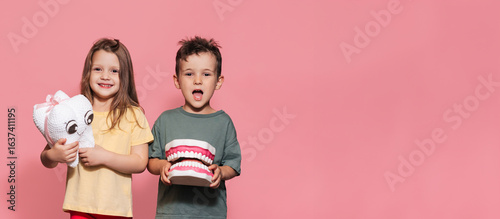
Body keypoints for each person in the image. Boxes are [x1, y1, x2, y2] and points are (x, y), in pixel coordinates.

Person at [40, 38, 154, 219]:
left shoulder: (133, 115)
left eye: (114, 71)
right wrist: (55, 155)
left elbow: (140, 162)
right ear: (88, 73)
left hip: (115, 210)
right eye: (98, 69)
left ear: (124, 77)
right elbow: (46, 158)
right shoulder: (74, 111)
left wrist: (104, 157)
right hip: (80, 207)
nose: (105, 76)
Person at [147, 36, 242, 218]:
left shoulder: (224, 123)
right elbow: (151, 160)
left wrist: (221, 172)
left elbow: (233, 164)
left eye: (206, 74)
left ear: (218, 81)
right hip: (171, 213)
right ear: (177, 80)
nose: (197, 80)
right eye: (189, 74)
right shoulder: (165, 120)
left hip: (210, 213)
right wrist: (161, 167)